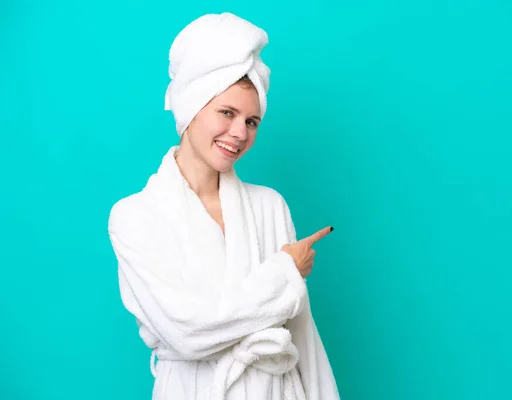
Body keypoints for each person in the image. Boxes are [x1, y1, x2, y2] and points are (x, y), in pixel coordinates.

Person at [107, 12, 339, 400]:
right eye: (227, 113)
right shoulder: (135, 217)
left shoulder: (270, 206)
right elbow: (188, 333)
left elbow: (302, 336)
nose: (239, 133)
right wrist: (284, 274)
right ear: (192, 106)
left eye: (252, 121)